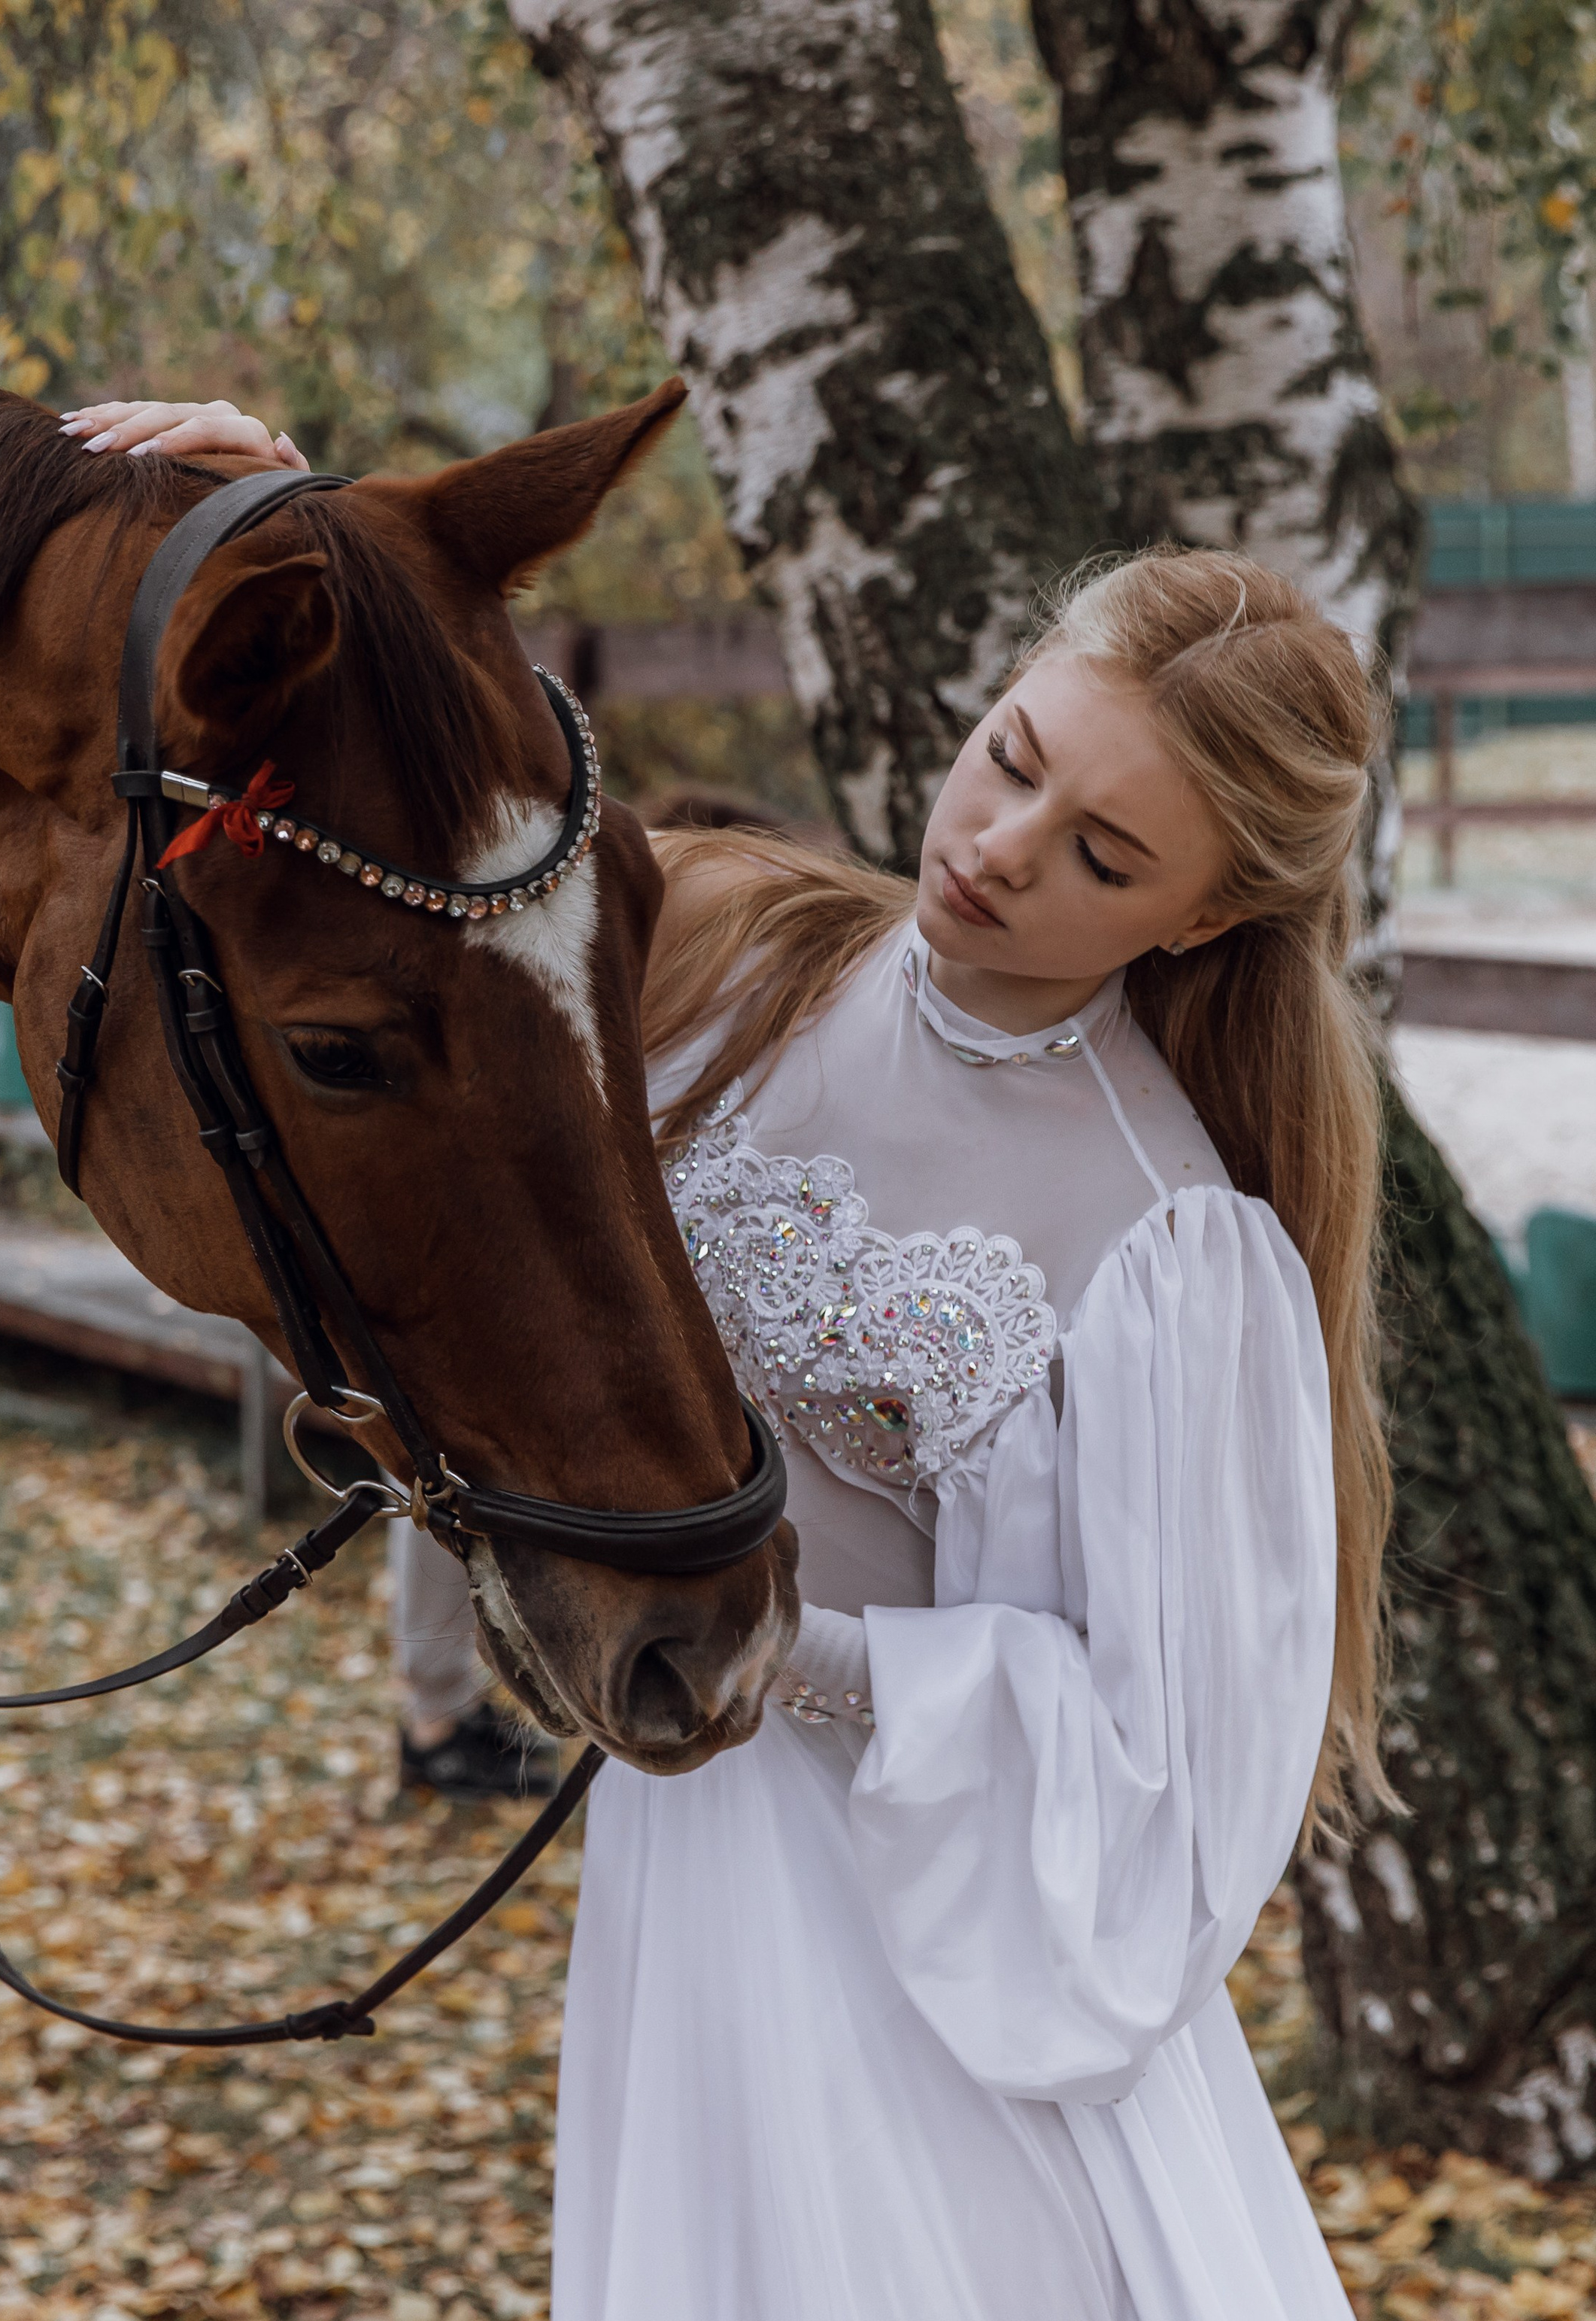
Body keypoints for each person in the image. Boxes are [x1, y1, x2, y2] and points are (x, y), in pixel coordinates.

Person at [71, 396, 1384, 2317]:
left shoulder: (1175, 1255)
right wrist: (305, 536)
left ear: (1213, 912)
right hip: (689, 1888)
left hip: (942, 2000)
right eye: (1007, 757)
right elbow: (428, 848)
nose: (1000, 849)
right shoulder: (727, 952)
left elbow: (1161, 1796)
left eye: (1099, 852)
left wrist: (810, 1658)